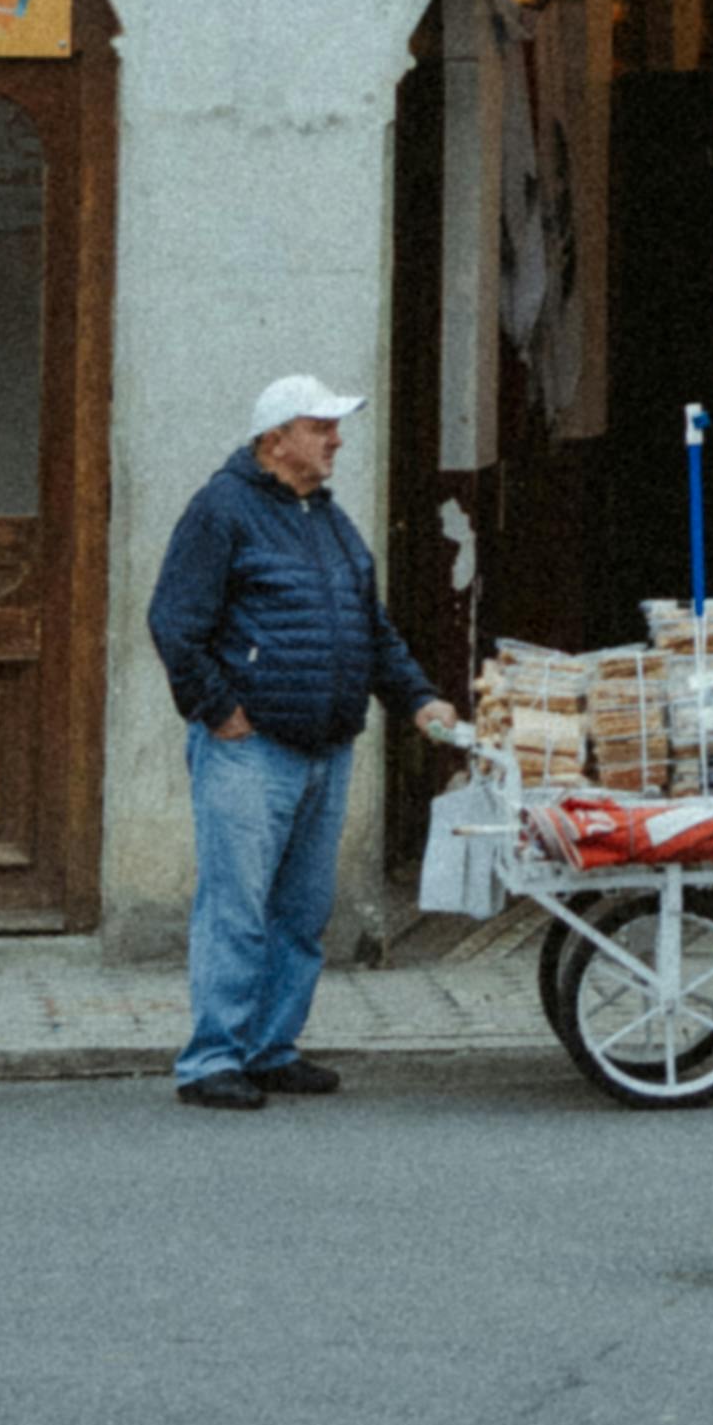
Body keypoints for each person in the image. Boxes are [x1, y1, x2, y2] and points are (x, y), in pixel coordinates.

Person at [144, 373, 462, 1111]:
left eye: (335, 426)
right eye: (321, 427)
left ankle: (270, 1047)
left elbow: (368, 627)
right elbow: (173, 622)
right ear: (276, 438)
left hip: (325, 745)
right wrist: (217, 708)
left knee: (301, 909)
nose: (337, 439)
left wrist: (416, 698)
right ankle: (212, 1058)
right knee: (235, 907)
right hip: (251, 747)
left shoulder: (327, 517)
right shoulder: (222, 509)